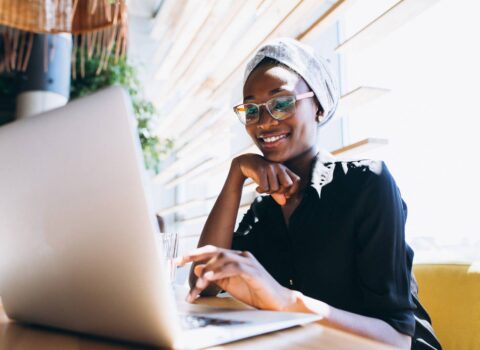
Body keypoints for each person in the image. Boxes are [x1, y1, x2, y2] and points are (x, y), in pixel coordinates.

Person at [176, 38, 441, 350]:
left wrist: (286, 302)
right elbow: (202, 282)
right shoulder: (265, 210)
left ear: (317, 105)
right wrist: (236, 175)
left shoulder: (367, 182)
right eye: (251, 110)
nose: (264, 121)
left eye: (282, 102)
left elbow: (397, 338)